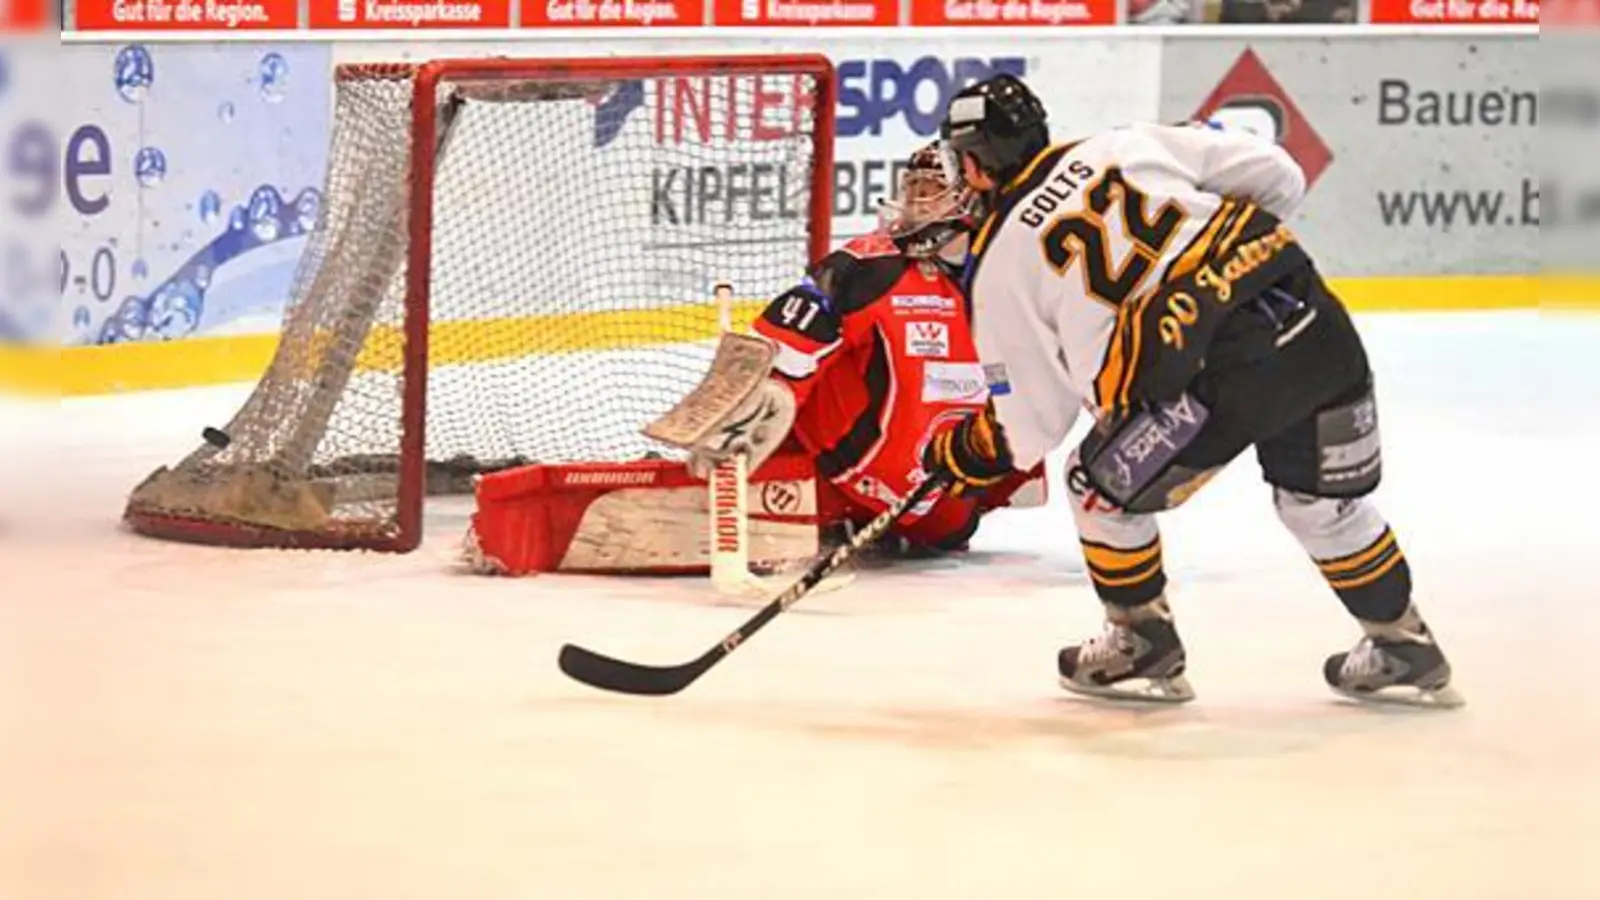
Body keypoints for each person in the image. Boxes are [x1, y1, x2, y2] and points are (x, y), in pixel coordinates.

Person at [922, 74, 1460, 706]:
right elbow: (1277, 172)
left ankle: (1139, 639)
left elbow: (1030, 430)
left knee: (1096, 490)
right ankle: (1402, 640)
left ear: (979, 165)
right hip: (1310, 318)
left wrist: (965, 449)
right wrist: (1217, 275)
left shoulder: (998, 266)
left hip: (1210, 381)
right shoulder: (1124, 144)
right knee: (1320, 507)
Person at [686, 143, 1042, 556]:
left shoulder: (1008, 280)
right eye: (914, 189)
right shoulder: (870, 265)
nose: (916, 204)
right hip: (849, 471)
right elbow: (787, 339)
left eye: (932, 190)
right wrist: (748, 405)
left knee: (956, 521)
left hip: (941, 488)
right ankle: (764, 470)